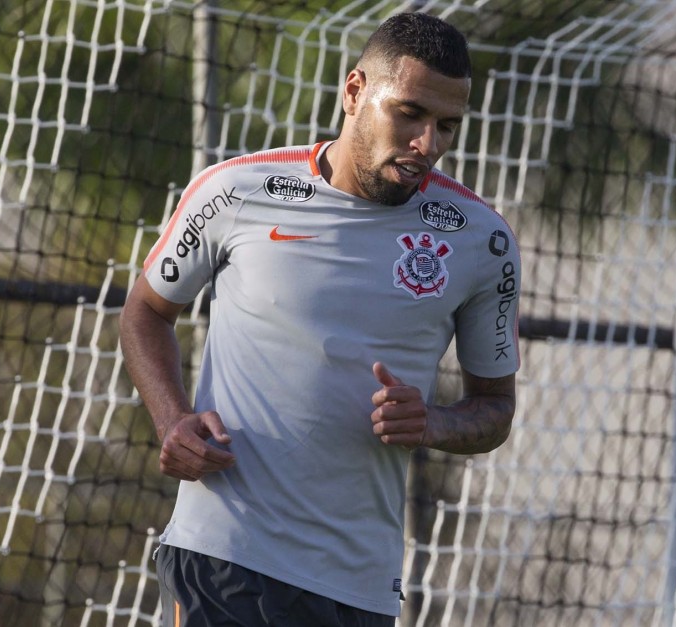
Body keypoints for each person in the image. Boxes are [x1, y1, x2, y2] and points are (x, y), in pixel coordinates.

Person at [119, 11, 520, 627]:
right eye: (409, 114)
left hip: (360, 587)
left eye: (447, 126)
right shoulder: (235, 192)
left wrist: (433, 422)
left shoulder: (483, 241)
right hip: (226, 556)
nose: (428, 145)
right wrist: (172, 419)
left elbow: (494, 409)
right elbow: (146, 311)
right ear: (354, 91)